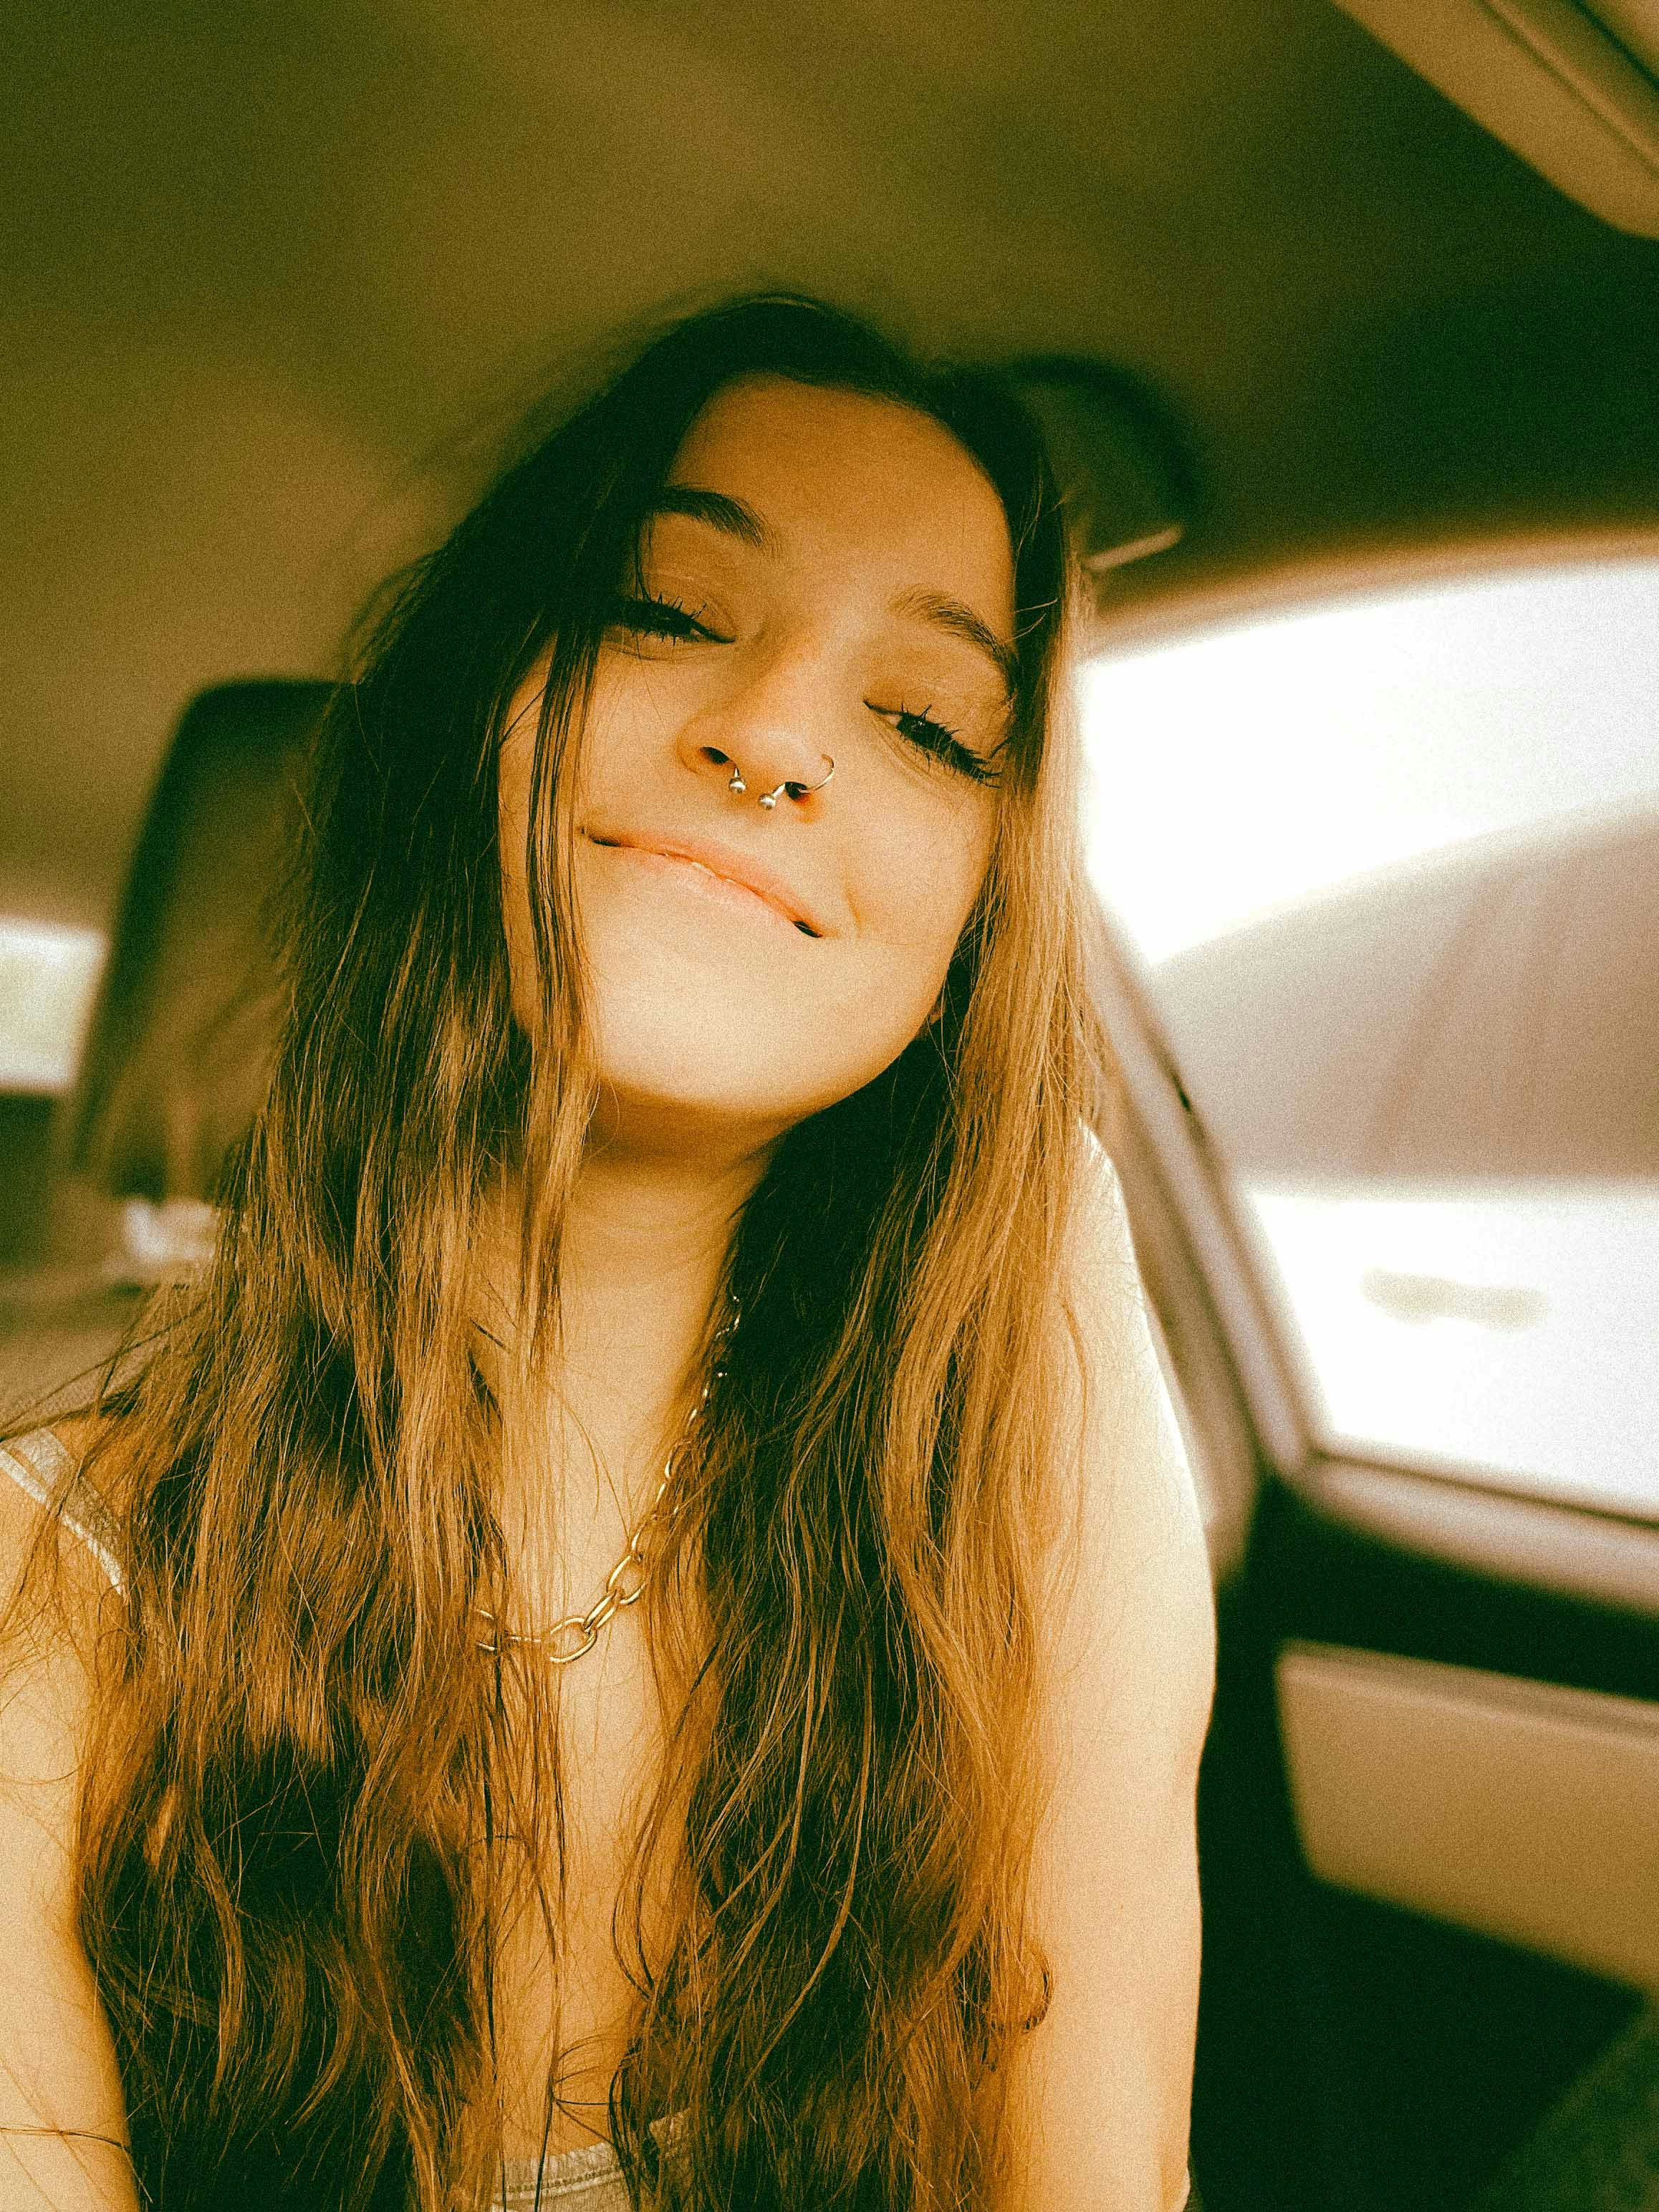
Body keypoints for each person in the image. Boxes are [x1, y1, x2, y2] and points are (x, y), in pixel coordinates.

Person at [0, 294, 1215, 2212]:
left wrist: (1055, 1204)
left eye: (928, 723)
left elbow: (1100, 2156)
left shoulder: (1004, 1394)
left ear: (978, 927)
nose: (775, 734)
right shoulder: (49, 1576)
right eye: (660, 609)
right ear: (470, 726)